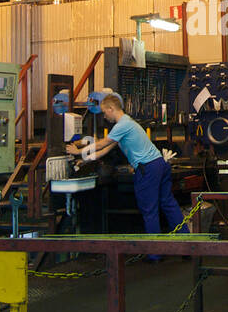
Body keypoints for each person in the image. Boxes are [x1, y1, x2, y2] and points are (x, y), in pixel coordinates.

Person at [67, 93, 184, 235]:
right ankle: (185, 241)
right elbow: (103, 151)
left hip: (148, 169)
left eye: (104, 112)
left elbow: (102, 143)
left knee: (149, 210)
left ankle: (155, 254)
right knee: (168, 204)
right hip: (160, 164)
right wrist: (84, 160)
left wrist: (77, 151)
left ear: (111, 108)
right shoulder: (128, 124)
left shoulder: (123, 125)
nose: (104, 116)